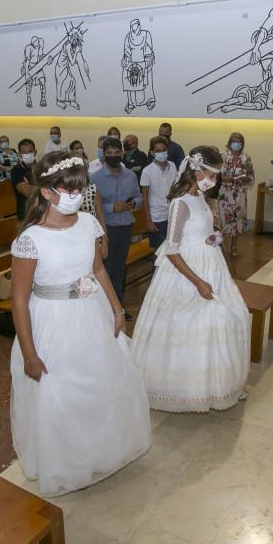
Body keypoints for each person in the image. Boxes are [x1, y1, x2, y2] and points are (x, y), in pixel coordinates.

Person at [9, 152, 151, 497]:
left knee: (103, 383)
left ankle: (100, 450)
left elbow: (98, 269)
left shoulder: (88, 223)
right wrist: (29, 353)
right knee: (60, 396)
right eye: (67, 189)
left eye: (80, 188)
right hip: (53, 322)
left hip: (92, 313)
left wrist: (117, 310)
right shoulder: (31, 239)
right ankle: (66, 461)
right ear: (46, 192)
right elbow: (18, 300)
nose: (76, 195)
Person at [131, 147, 250, 412]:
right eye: (212, 173)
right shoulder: (181, 203)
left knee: (231, 318)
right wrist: (198, 282)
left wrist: (212, 236)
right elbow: (172, 248)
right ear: (197, 171)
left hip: (210, 264)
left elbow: (197, 232)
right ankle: (186, 391)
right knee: (198, 326)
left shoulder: (201, 198)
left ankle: (216, 385)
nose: (215, 179)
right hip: (188, 273)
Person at [89, 137, 141, 307]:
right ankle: (106, 309)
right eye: (109, 153)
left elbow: (139, 197)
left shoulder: (130, 175)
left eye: (116, 153)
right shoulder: (95, 178)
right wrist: (112, 207)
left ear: (122, 153)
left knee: (120, 269)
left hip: (126, 227)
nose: (113, 156)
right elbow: (90, 207)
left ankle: (118, 306)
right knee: (106, 270)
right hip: (106, 229)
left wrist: (133, 203)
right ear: (104, 154)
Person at [219, 132, 255, 257]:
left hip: (239, 194)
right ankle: (221, 246)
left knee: (237, 220)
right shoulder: (222, 157)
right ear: (229, 143)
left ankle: (234, 247)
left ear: (242, 143)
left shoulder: (246, 158)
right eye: (234, 140)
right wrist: (226, 179)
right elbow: (216, 175)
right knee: (222, 220)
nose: (236, 143)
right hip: (224, 194)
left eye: (239, 141)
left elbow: (251, 177)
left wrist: (240, 179)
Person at [140, 136, 177, 251]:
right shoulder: (147, 171)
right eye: (158, 151)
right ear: (152, 152)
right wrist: (148, 221)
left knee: (172, 249)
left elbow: (175, 188)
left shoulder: (173, 166)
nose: (162, 153)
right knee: (158, 252)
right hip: (157, 217)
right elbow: (144, 197)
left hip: (172, 214)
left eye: (164, 150)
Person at [11, 139, 37, 220]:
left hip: (42, 211)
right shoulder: (16, 170)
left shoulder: (42, 167)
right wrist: (45, 185)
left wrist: (30, 185)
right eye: (24, 152)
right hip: (25, 213)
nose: (27, 154)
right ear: (19, 154)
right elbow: (28, 192)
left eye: (30, 151)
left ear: (35, 152)